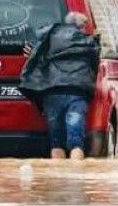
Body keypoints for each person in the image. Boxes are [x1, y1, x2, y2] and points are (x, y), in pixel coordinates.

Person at [19, 11, 100, 161]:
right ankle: (77, 173)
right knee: (76, 143)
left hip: (52, 91)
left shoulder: (49, 37)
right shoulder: (88, 41)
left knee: (56, 142)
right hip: (77, 92)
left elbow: (35, 58)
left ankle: (57, 173)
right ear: (81, 26)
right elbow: (95, 67)